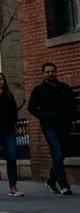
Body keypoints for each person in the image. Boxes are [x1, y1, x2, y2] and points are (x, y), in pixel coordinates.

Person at [29, 63, 76, 195]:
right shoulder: (39, 89)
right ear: (43, 74)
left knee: (60, 155)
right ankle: (64, 185)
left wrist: (71, 116)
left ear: (56, 72)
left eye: (52, 71)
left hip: (63, 125)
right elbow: (31, 108)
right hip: (49, 126)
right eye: (48, 72)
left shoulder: (64, 88)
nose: (50, 74)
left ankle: (51, 181)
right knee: (58, 153)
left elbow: (73, 104)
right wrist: (44, 116)